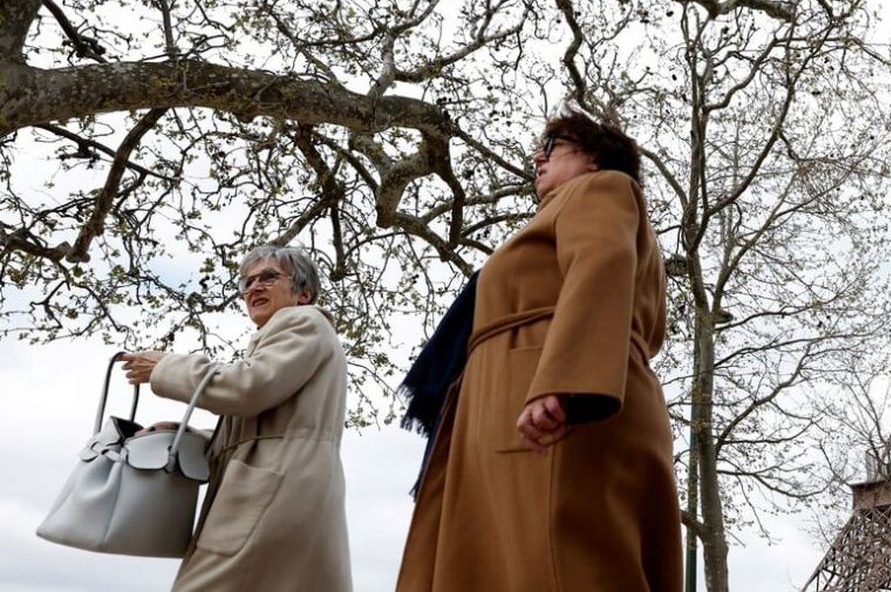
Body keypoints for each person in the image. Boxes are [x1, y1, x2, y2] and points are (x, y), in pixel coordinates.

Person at [397, 111, 681, 592]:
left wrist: (563, 381)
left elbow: (600, 262)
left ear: (595, 158)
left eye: (555, 143)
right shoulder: (565, 210)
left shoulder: (602, 188)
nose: (538, 155)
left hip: (552, 404)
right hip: (523, 401)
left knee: (558, 565)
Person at [120, 245, 351, 592]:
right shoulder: (290, 335)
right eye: (248, 281)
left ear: (304, 293)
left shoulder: (303, 322)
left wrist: (166, 367)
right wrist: (191, 435)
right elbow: (260, 420)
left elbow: (247, 388)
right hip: (290, 485)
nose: (254, 287)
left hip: (273, 490)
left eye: (269, 277)